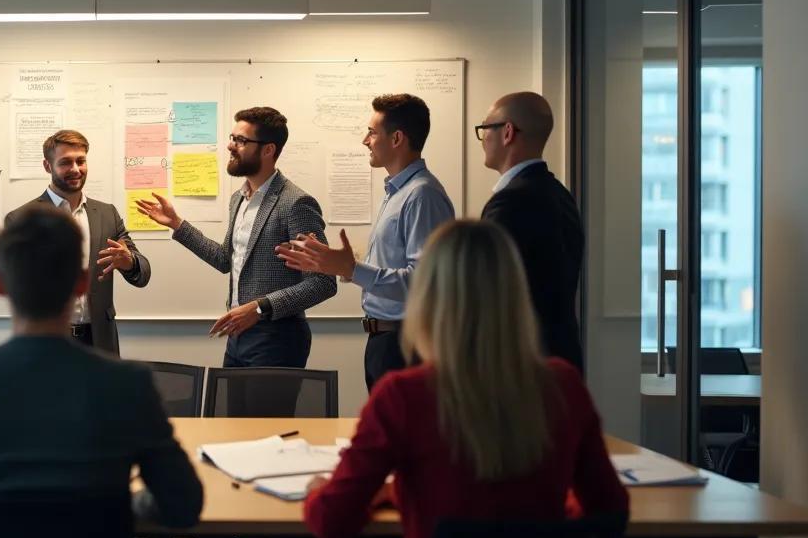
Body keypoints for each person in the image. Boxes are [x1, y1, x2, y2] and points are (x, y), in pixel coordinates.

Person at [303, 220, 629, 538]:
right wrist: (543, 517)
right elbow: (609, 510)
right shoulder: (562, 387)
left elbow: (331, 519)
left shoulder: (402, 397)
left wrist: (316, 492)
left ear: (428, 300)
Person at [0, 204, 203, 530]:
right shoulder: (128, 383)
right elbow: (182, 504)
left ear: (0, 284)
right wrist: (125, 506)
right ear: (83, 283)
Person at [135, 107, 337, 370]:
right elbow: (223, 260)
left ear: (268, 150)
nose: (231, 146)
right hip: (238, 336)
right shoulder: (239, 199)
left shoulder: (296, 203)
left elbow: (324, 282)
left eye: (241, 141)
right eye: (232, 138)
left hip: (278, 338)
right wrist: (177, 224)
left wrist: (260, 308)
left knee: (266, 413)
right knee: (229, 413)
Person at [277, 94, 455, 390]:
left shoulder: (422, 195)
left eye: (372, 132)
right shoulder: (397, 192)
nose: (365, 140)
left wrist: (351, 269)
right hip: (386, 341)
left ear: (397, 138)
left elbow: (425, 282)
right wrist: (335, 264)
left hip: (405, 344)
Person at [6, 129, 150, 355]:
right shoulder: (23, 219)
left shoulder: (107, 214)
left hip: (100, 341)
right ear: (48, 166)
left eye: (80, 161)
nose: (75, 169)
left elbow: (143, 276)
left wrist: (129, 261)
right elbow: (16, 288)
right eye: (65, 163)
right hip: (45, 344)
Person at [477, 92, 586, 372]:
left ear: (507, 132)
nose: (482, 139)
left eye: (485, 129)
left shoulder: (509, 202)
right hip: (562, 363)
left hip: (519, 371)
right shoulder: (560, 194)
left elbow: (488, 296)